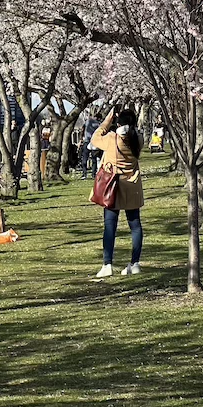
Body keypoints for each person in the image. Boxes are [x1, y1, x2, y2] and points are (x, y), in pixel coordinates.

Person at [90, 107, 144, 278]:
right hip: (132, 186)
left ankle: (107, 264)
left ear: (118, 123)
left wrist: (107, 120)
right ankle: (135, 263)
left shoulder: (113, 138)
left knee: (110, 226)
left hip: (113, 187)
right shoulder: (138, 139)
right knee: (135, 225)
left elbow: (94, 138)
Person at [80, 109, 100, 180]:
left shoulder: (87, 121)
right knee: (94, 159)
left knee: (85, 158)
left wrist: (81, 139)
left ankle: (84, 174)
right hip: (94, 142)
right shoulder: (99, 124)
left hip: (87, 141)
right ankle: (93, 174)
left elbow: (82, 129)